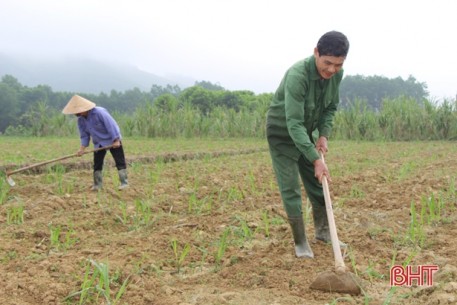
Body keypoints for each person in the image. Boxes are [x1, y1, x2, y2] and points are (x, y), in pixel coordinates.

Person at [266, 31, 349, 258]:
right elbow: (293, 124)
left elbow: (330, 107)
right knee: (291, 187)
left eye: (338, 65)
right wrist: (315, 158)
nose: (332, 70)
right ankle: (300, 242)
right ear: (316, 53)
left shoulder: (336, 76)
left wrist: (323, 135)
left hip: (305, 132)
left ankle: (323, 232)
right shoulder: (297, 75)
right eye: (327, 63)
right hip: (283, 134)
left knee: (317, 182)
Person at [62, 95, 129, 191]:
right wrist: (82, 149)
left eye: (77, 111)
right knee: (97, 163)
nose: (76, 113)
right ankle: (98, 185)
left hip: (112, 140)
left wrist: (116, 140)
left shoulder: (99, 112)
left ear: (84, 108)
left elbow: (111, 125)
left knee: (119, 161)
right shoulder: (81, 120)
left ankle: (124, 183)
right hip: (98, 143)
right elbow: (84, 135)